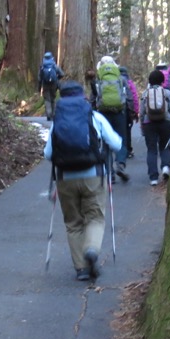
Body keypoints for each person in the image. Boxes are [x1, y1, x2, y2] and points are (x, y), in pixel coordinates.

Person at [44, 81, 122, 281]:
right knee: (94, 217)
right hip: (93, 175)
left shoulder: (58, 122)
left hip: (65, 179)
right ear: (83, 97)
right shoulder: (94, 117)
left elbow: (48, 154)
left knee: (73, 223)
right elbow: (116, 143)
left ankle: (81, 268)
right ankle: (91, 250)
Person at [94, 56, 129, 182]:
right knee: (121, 139)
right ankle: (120, 163)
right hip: (119, 112)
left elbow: (94, 97)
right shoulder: (120, 78)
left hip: (103, 113)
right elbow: (127, 96)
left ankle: (110, 172)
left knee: (105, 142)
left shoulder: (98, 79)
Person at [140, 69, 170, 186]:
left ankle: (153, 178)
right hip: (165, 122)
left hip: (149, 124)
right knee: (164, 146)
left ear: (150, 81)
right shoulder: (166, 93)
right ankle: (165, 167)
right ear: (162, 81)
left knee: (151, 150)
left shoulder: (145, 93)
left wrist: (142, 124)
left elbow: (142, 112)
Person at [119, 65, 139, 158]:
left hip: (117, 108)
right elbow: (134, 97)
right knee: (127, 130)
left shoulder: (115, 82)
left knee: (119, 130)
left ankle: (120, 150)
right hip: (127, 109)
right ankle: (128, 150)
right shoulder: (129, 83)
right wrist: (136, 111)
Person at [38, 52, 65, 120]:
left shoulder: (42, 66)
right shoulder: (54, 65)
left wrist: (39, 87)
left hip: (45, 84)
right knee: (53, 98)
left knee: (47, 99)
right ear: (51, 57)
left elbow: (40, 77)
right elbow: (62, 74)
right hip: (54, 84)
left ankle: (48, 114)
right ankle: (53, 114)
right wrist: (56, 78)